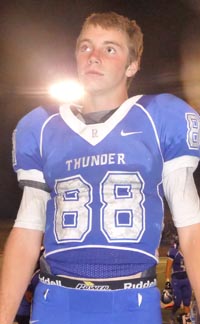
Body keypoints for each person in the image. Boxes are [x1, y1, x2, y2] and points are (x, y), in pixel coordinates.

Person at [0, 11, 200, 324]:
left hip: (132, 303)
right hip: (56, 301)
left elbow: (193, 229)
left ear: (132, 65)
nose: (93, 57)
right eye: (85, 47)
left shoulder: (160, 117)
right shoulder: (41, 126)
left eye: (110, 49)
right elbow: (27, 230)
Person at [165, 236, 192, 324]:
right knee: (177, 301)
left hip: (187, 279)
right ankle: (172, 314)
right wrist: (167, 281)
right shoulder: (174, 252)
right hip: (177, 280)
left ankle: (186, 320)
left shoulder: (189, 251)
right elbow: (168, 267)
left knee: (187, 302)